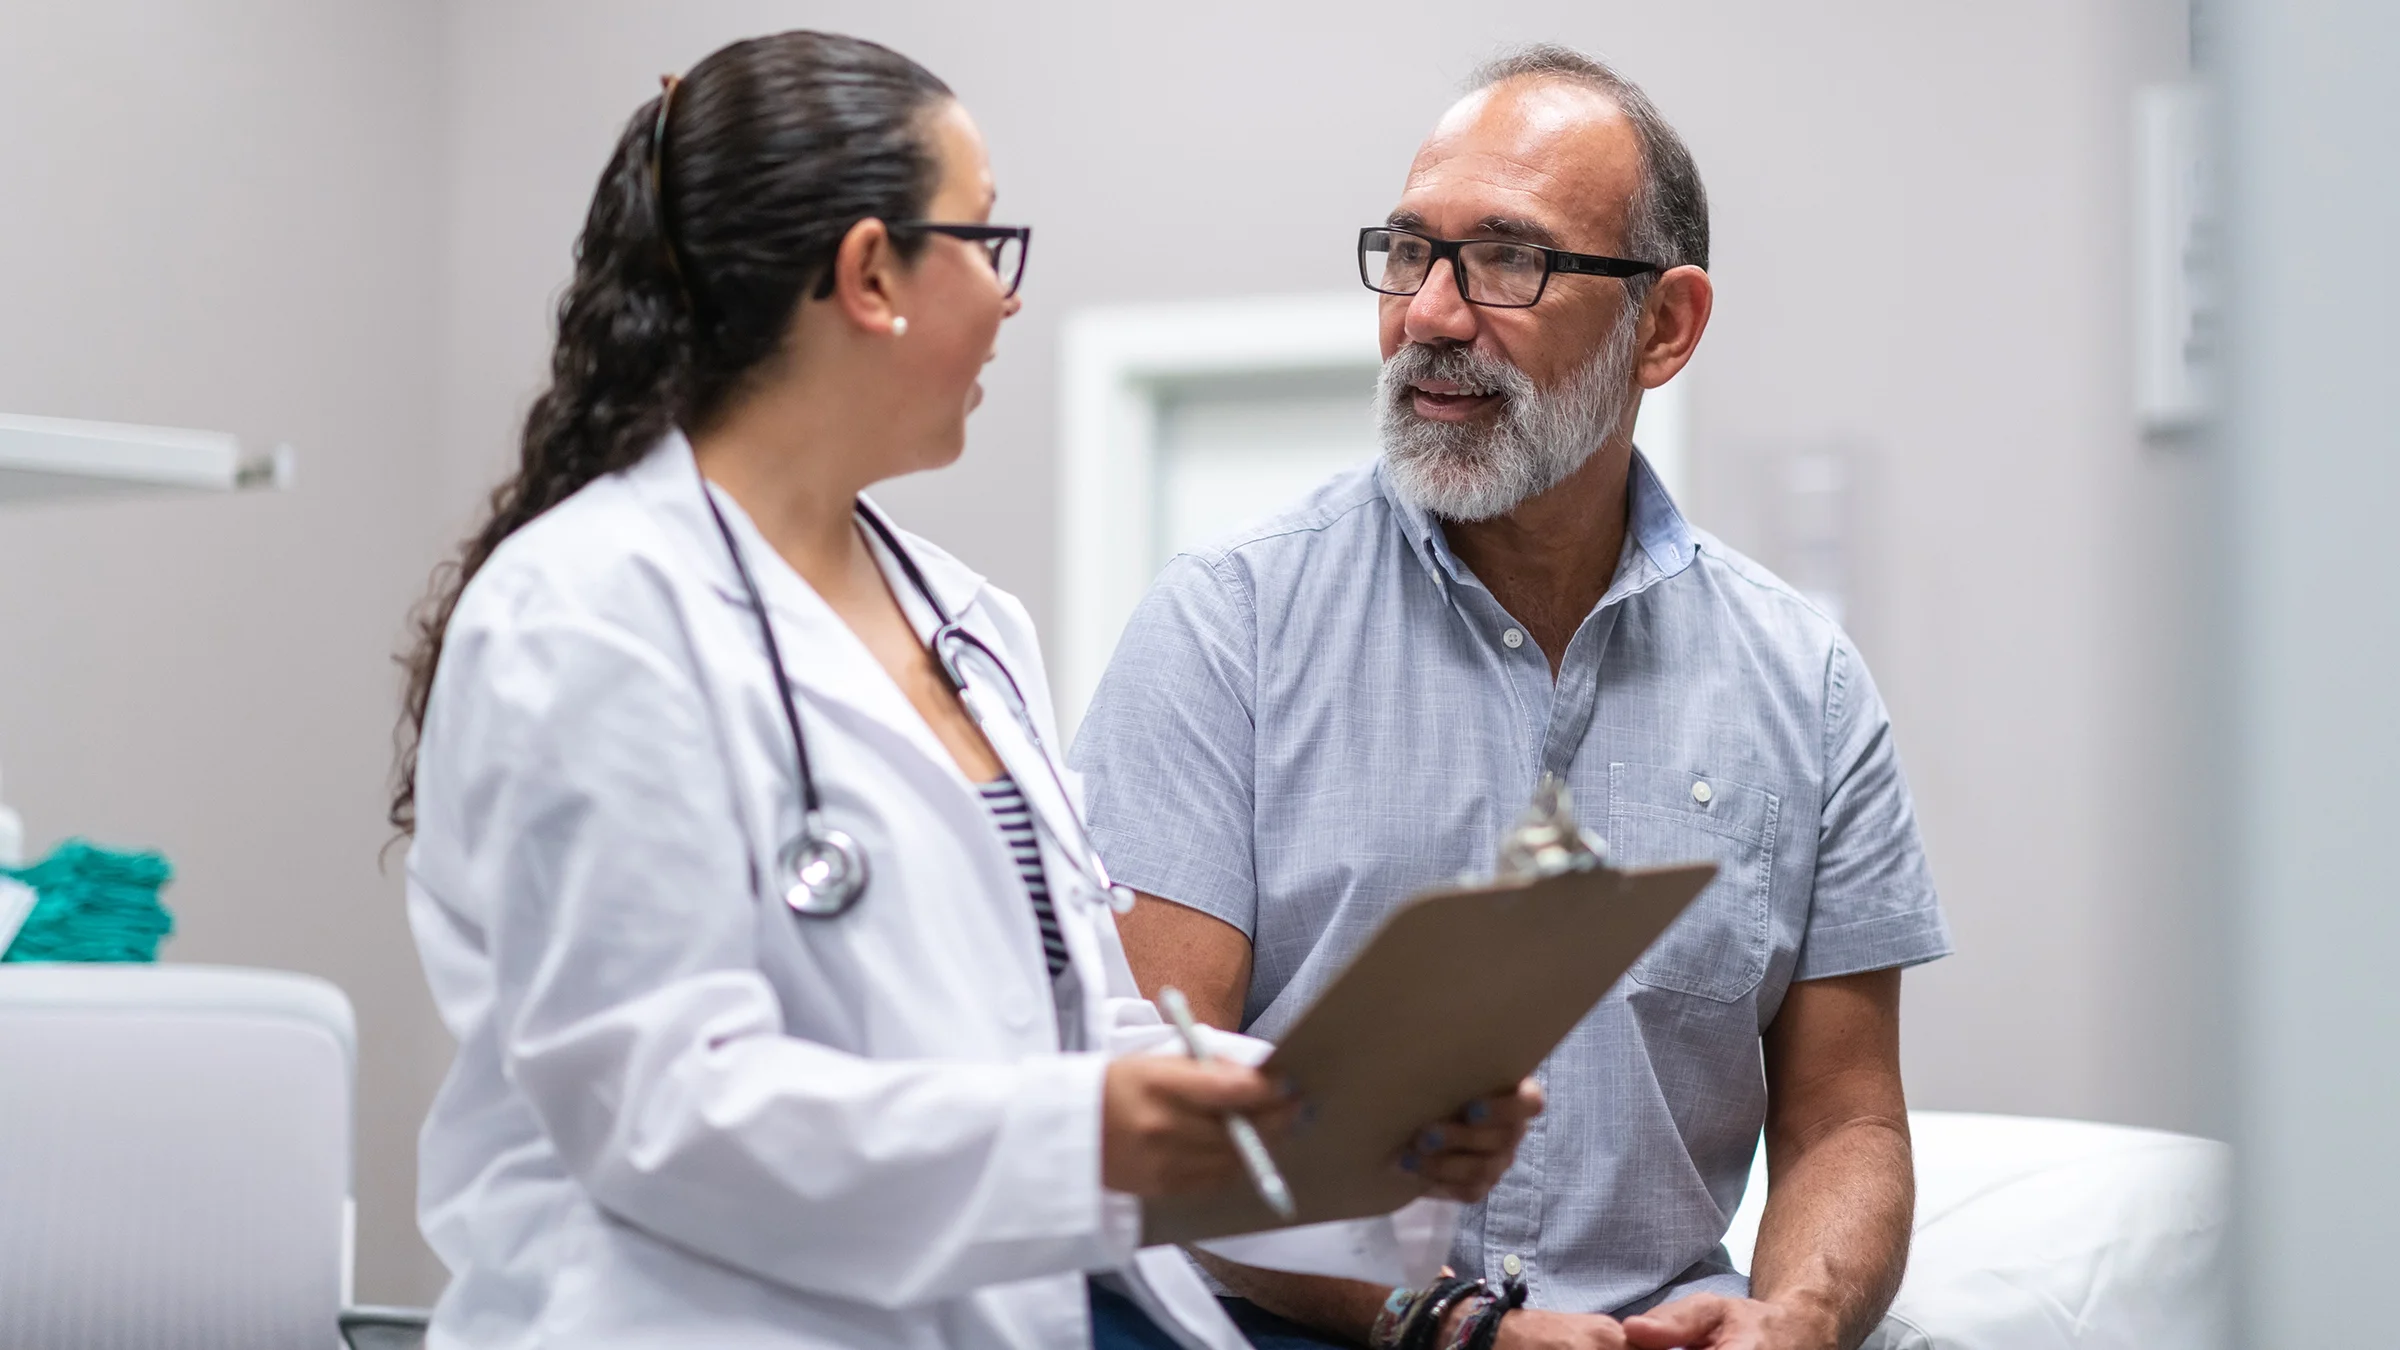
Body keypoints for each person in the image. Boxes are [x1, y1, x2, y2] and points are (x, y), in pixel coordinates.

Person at [389, 31, 1539, 1350]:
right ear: (871, 273)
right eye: (985, 241)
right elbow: (662, 1109)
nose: (1009, 296)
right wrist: (1086, 1132)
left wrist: (1348, 1118)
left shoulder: (968, 623)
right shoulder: (587, 612)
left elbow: (1062, 1029)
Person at [1071, 44, 1951, 1350]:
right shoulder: (1228, 627)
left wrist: (1801, 1315)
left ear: (1666, 325)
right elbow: (1149, 1123)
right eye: (1408, 251)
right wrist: (1450, 1325)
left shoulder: (1803, 684)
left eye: (1505, 259)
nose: (1429, 311)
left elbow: (1846, 1119)